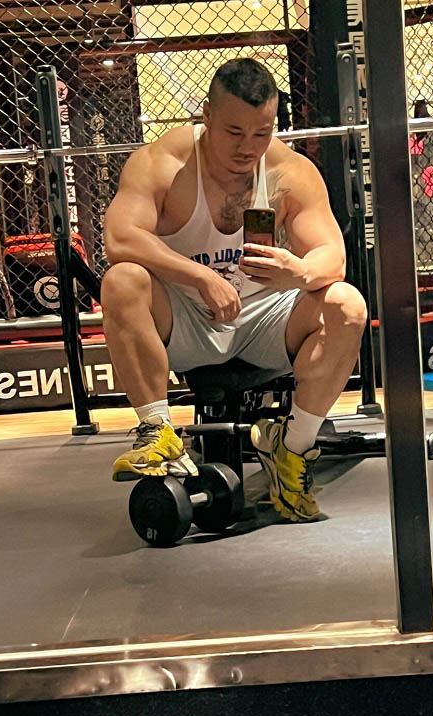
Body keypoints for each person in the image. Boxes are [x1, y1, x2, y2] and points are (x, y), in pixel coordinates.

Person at [101, 58, 367, 523]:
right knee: (122, 280)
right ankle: (158, 433)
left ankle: (292, 449)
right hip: (186, 316)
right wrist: (199, 276)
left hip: (265, 317)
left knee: (347, 304)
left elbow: (333, 258)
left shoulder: (289, 171)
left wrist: (299, 271)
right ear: (206, 115)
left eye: (262, 133)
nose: (248, 147)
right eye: (234, 132)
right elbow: (119, 238)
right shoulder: (164, 163)